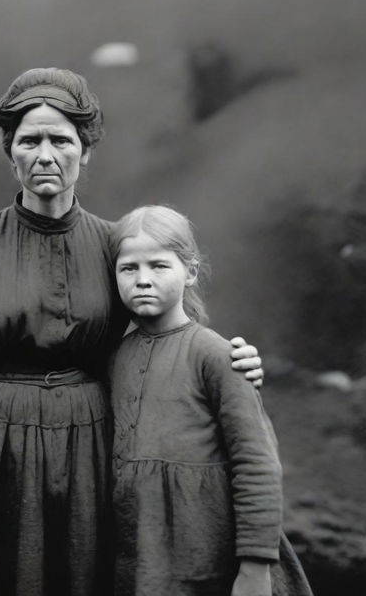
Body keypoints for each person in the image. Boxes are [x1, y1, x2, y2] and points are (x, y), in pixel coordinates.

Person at [0, 68, 264, 596]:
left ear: (85, 150)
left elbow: (163, 334)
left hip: (93, 449)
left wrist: (229, 360)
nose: (45, 154)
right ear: (11, 151)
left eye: (61, 139)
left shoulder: (114, 248)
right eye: (29, 141)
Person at [109, 205, 312, 596]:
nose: (143, 280)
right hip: (141, 559)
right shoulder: (113, 357)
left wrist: (255, 567)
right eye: (128, 268)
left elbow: (257, 464)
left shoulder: (217, 356)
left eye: (159, 266)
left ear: (191, 272)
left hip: (209, 556)